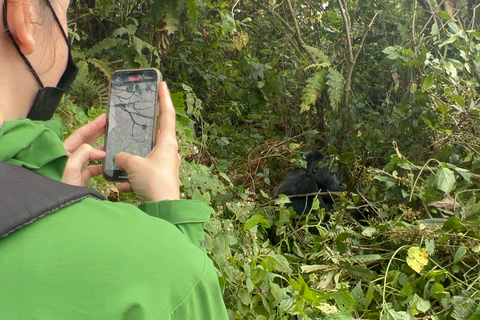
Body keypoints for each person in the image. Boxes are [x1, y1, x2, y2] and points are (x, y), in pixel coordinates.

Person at [0, 0, 229, 319]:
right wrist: (171, 214)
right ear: (24, 15)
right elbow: (183, 294)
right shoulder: (160, 267)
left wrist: (41, 189)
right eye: (65, 10)